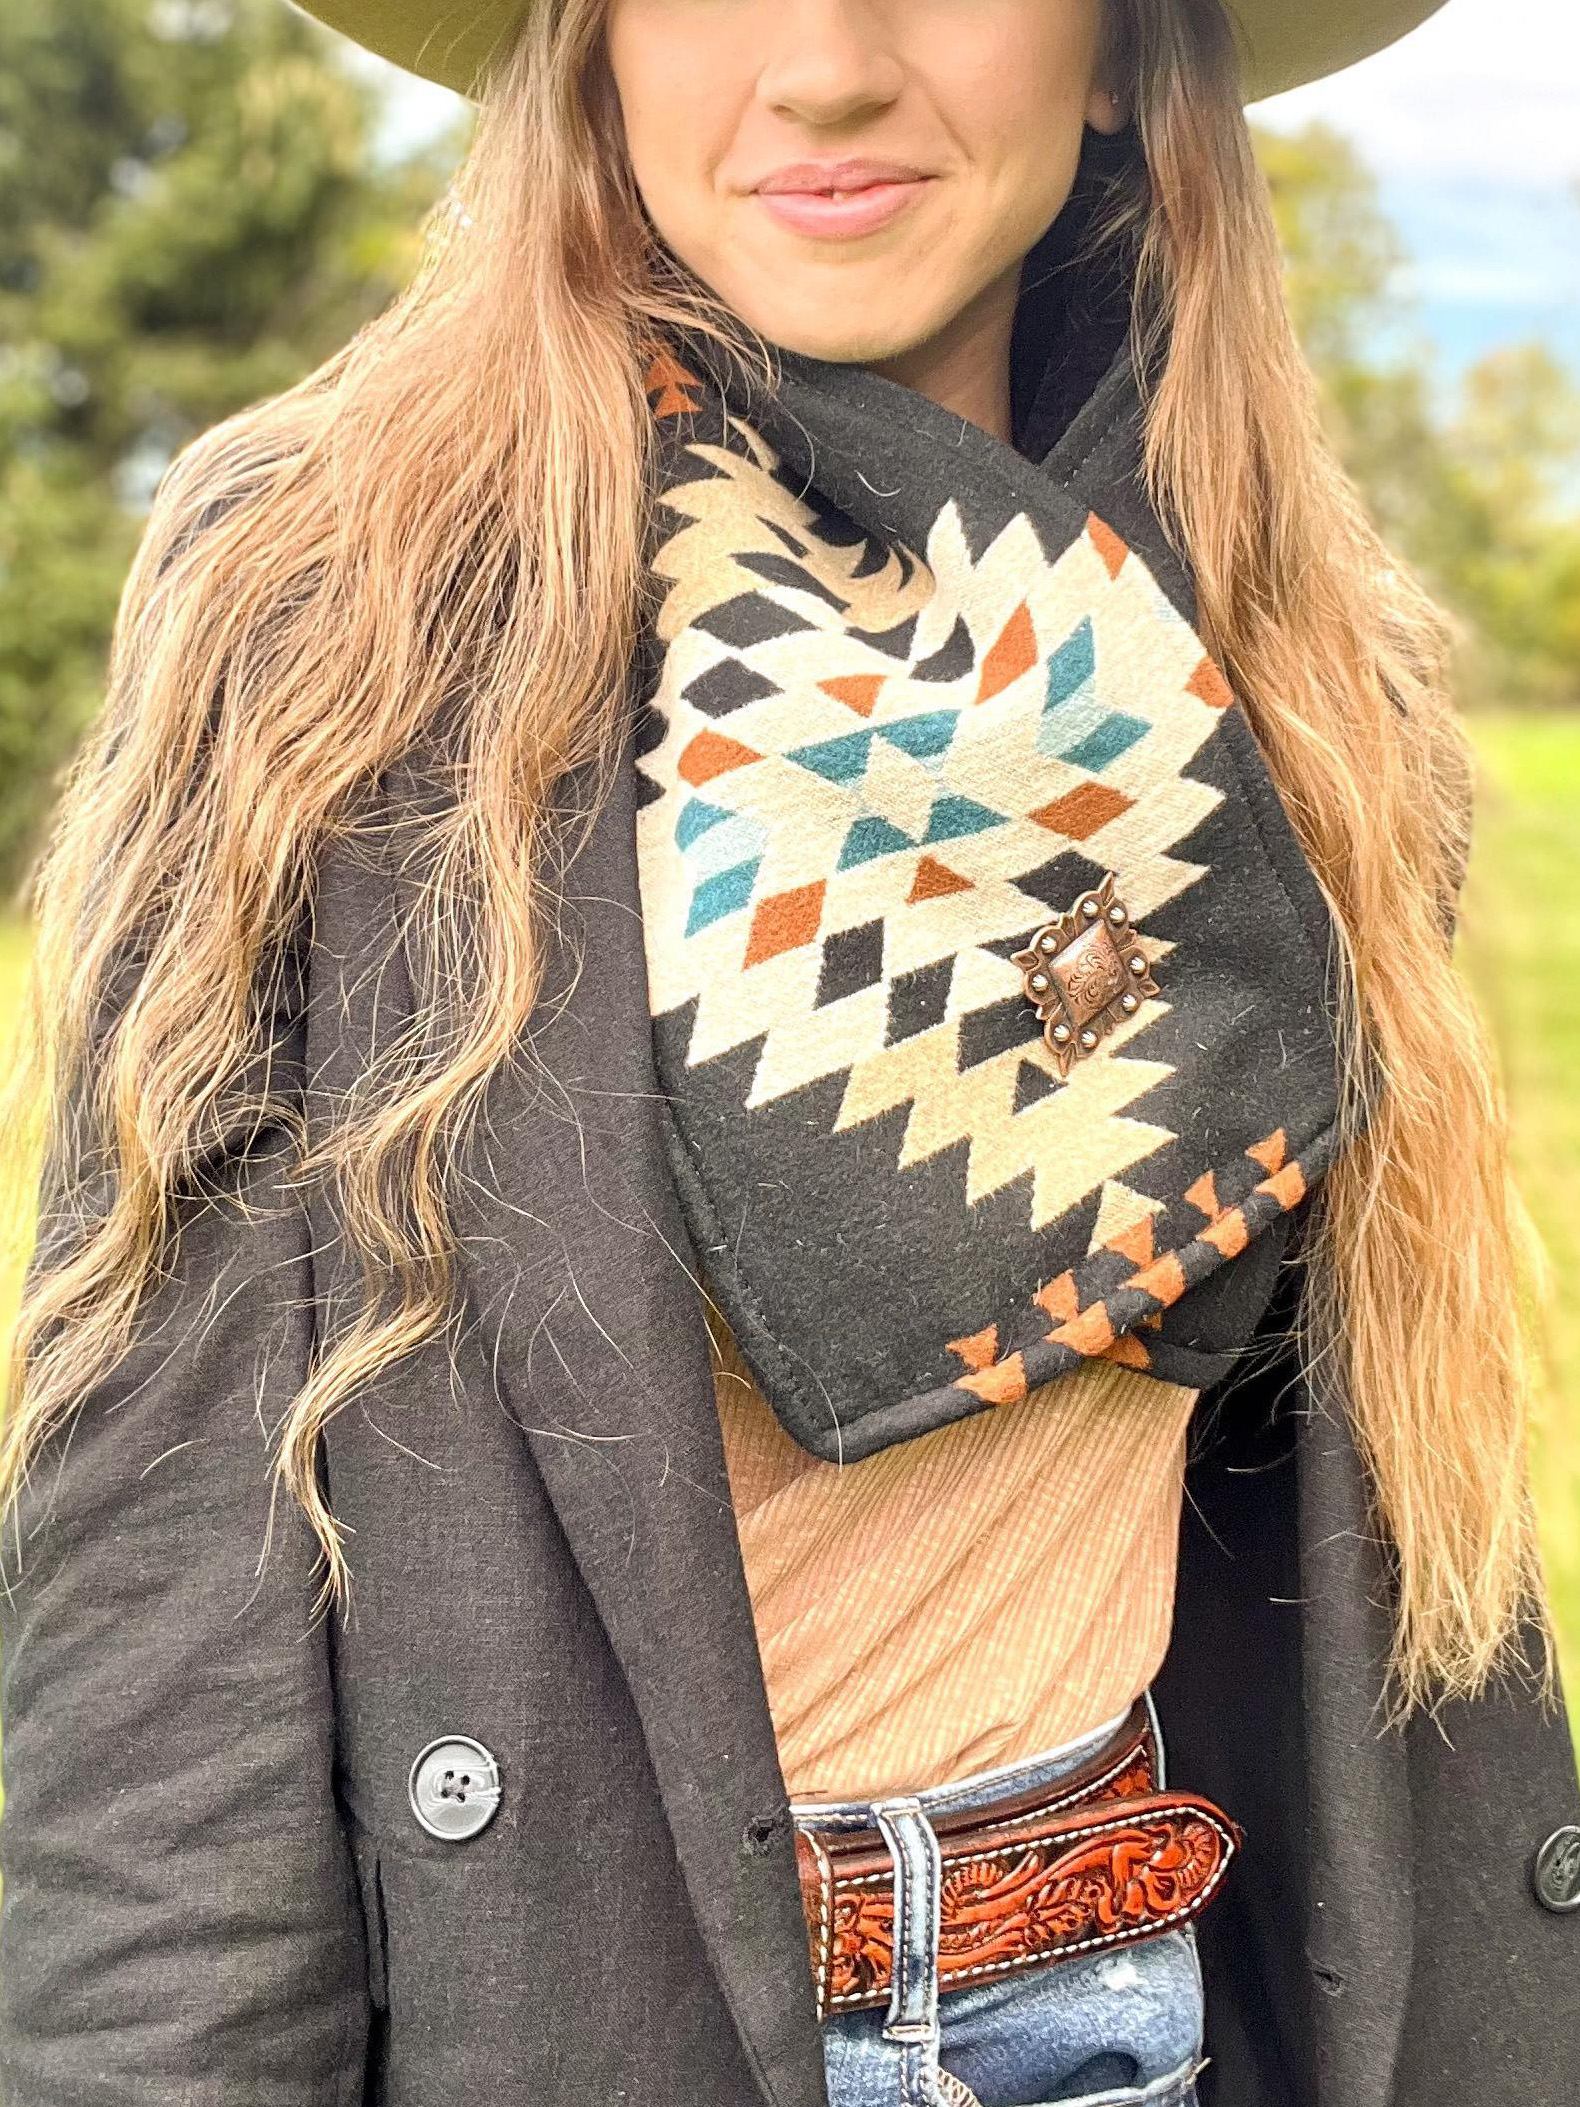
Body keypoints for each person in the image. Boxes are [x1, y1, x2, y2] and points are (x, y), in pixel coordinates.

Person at [1, 0, 1576, 2101]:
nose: (823, 64)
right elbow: (160, 1607)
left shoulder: (1283, 663)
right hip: (567, 2027)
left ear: (1122, 52)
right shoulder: (337, 611)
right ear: (588, 44)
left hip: (1121, 2013)